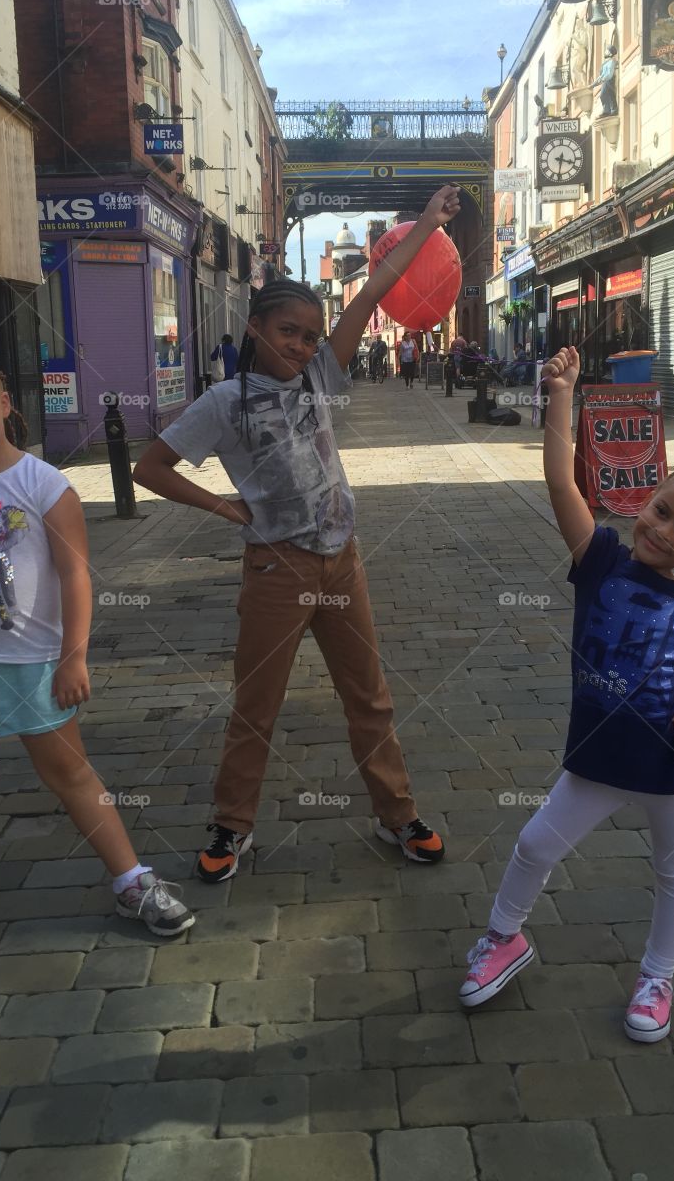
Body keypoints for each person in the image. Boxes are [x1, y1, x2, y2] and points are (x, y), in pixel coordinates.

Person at [132, 186, 462, 883]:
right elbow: (149, 468)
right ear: (256, 328)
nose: (302, 345)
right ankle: (232, 824)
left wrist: (428, 224)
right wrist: (224, 509)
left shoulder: (319, 377)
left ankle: (397, 812)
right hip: (276, 570)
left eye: (311, 336)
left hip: (342, 561)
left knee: (368, 694)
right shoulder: (223, 402)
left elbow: (373, 291)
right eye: (289, 332)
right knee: (258, 701)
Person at [458, 344, 674, 1042]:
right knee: (535, 844)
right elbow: (562, 486)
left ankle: (658, 976)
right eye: (659, 510)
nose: (660, 530)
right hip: (597, 756)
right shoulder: (601, 562)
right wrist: (560, 395)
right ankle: (504, 939)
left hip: (673, 766)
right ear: (645, 496)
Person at [0, 350, 193, 941]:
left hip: (32, 661)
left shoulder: (43, 485)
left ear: (4, 405)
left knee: (68, 771)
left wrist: (73, 655)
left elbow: (75, 575)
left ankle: (131, 879)